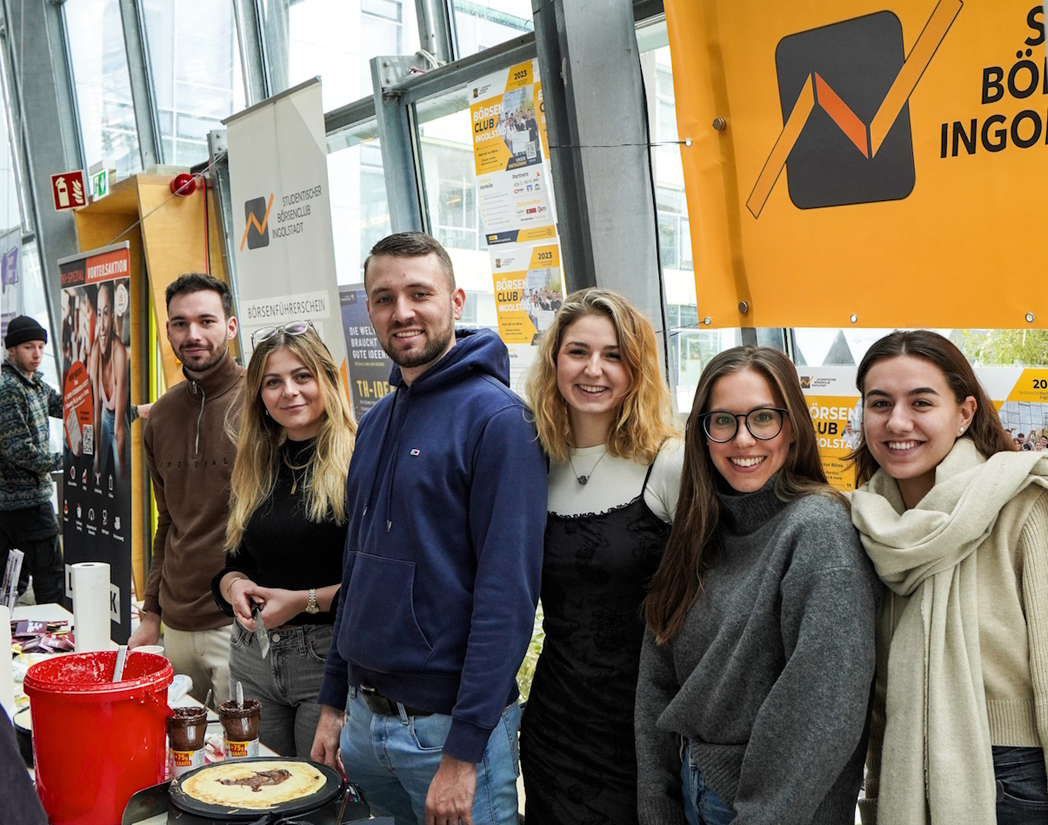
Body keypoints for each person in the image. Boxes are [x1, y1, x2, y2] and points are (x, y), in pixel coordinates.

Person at [311, 232, 546, 825]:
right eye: (384, 297)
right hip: (366, 722)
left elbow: (507, 599)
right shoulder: (377, 420)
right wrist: (335, 700)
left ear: (456, 300)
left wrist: (464, 754)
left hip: (448, 733)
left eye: (420, 293)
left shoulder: (500, 422)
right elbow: (356, 569)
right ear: (368, 310)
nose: (402, 311)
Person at [636, 346, 880, 825]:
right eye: (723, 421)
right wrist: (656, 806)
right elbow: (656, 685)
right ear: (703, 434)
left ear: (792, 430)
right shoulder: (700, 529)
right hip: (691, 791)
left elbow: (823, 715)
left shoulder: (819, 530)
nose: (743, 439)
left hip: (760, 808)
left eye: (763, 418)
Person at [848, 330, 1048, 825]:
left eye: (922, 402)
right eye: (880, 402)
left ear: (965, 413)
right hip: (907, 768)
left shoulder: (1025, 503)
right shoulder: (867, 521)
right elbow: (880, 694)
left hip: (1015, 775)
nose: (897, 421)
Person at [520, 288, 683, 824]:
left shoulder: (670, 463)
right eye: (578, 352)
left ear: (637, 370)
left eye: (614, 355)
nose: (595, 369)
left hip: (644, 730)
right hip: (555, 725)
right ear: (553, 362)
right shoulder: (532, 464)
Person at [211, 321, 355, 757]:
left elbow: (376, 584)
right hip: (252, 655)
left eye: (302, 376)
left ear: (327, 380)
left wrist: (303, 600)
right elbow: (234, 562)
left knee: (316, 799)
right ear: (259, 395)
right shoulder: (255, 466)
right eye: (273, 382)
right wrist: (233, 586)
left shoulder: (361, 460)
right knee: (256, 788)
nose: (288, 391)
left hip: (328, 660)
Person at [128, 273, 243, 707]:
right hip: (175, 626)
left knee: (245, 765)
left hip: (239, 624)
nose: (192, 334)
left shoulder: (262, 403)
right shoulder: (160, 417)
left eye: (206, 321)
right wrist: (151, 613)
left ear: (230, 327)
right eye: (179, 323)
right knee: (179, 758)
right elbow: (168, 522)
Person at [0, 316, 64, 604]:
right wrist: (65, 461)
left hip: (23, 503)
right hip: (24, 505)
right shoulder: (9, 389)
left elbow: (69, 407)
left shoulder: (34, 384)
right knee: (49, 579)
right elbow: (17, 450)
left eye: (40, 346)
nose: (37, 354)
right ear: (11, 349)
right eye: (29, 347)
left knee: (12, 583)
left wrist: (134, 411)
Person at [88, 281, 129, 486]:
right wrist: (96, 455)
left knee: (121, 479)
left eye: (106, 313)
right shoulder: (96, 350)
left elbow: (119, 428)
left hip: (119, 423)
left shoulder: (119, 353)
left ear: (113, 316)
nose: (102, 325)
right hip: (103, 418)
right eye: (99, 313)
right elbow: (96, 407)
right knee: (96, 469)